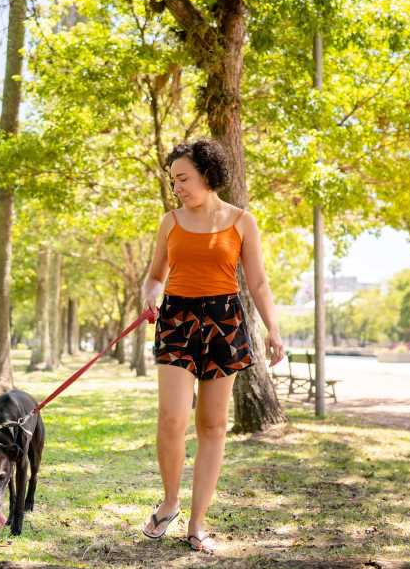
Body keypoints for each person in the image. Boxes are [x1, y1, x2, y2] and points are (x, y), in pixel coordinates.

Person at [139, 138, 284, 554]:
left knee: (212, 426)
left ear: (208, 174)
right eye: (173, 181)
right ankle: (169, 503)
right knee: (171, 418)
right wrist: (150, 294)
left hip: (224, 321)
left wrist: (273, 329)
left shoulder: (242, 221)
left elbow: (257, 282)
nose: (178, 187)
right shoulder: (170, 221)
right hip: (177, 320)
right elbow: (154, 275)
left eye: (183, 178)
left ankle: (197, 524)